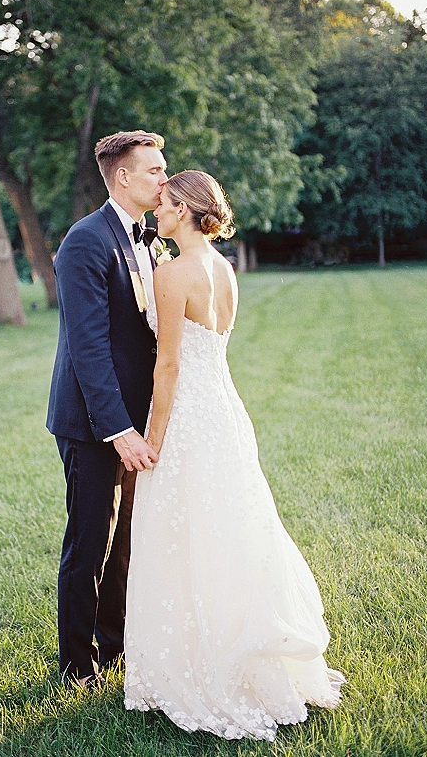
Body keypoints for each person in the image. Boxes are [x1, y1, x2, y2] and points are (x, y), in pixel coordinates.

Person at [124, 170, 345, 740]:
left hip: (188, 418)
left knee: (185, 533)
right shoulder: (224, 269)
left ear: (185, 210)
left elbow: (169, 365)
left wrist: (153, 437)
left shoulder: (172, 274)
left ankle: (200, 666)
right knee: (231, 529)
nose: (157, 211)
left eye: (165, 204)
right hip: (224, 411)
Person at [46, 130, 168, 689]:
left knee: (126, 542)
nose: (164, 179)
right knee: (90, 541)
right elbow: (88, 347)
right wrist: (118, 429)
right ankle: (76, 666)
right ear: (122, 176)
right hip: (92, 421)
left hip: (138, 419)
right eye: (153, 170)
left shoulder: (150, 239)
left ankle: (115, 645)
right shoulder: (85, 241)